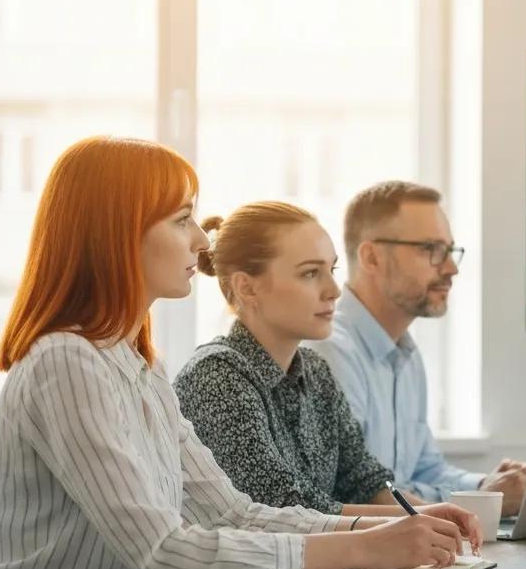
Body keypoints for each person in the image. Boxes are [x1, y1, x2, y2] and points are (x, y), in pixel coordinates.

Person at [0, 137, 470, 569]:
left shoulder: (138, 365)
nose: (201, 239)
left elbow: (232, 512)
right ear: (118, 233)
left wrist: (378, 529)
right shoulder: (65, 362)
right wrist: (361, 550)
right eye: (181, 220)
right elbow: (163, 551)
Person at [174, 202, 476, 527]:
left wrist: (433, 516)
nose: (333, 291)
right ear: (246, 287)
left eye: (331, 270)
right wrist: (419, 520)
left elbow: (364, 480)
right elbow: (284, 511)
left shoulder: (315, 370)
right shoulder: (215, 376)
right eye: (310, 273)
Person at [307, 181, 526, 515]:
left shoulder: (407, 355)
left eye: (450, 250)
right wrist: (477, 503)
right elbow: (358, 493)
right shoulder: (328, 352)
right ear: (371, 257)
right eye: (431, 249)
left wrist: (488, 486)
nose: (452, 268)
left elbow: (426, 470)